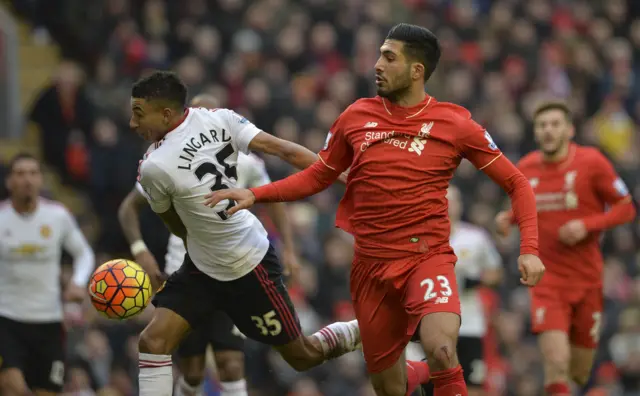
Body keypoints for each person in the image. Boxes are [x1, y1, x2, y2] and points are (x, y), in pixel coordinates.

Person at [204, 23, 545, 396]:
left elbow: (517, 182)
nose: (377, 65)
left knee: (444, 350)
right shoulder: (355, 116)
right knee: (391, 388)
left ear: (417, 70)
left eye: (389, 57)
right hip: (371, 268)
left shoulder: (455, 123)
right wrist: (257, 195)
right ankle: (419, 374)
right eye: (379, 54)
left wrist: (529, 249)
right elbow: (320, 174)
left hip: (426, 256)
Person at [129, 71, 364, 396]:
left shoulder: (154, 165)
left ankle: (367, 329)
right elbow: (283, 149)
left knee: (303, 356)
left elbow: (174, 224)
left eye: (138, 113)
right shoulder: (220, 119)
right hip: (201, 268)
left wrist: (349, 181)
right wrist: (349, 178)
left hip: (248, 263)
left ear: (166, 113)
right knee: (153, 341)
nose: (132, 123)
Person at [118, 93, 300, 396]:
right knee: (192, 372)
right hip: (187, 271)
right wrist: (140, 250)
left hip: (232, 270)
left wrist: (290, 249)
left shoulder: (246, 162)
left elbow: (274, 200)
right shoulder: (165, 161)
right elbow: (129, 208)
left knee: (230, 363)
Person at [495, 101, 637, 396]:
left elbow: (626, 208)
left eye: (555, 124)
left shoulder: (592, 162)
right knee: (555, 361)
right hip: (546, 280)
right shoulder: (526, 168)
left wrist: (587, 225)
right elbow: (525, 208)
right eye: (542, 125)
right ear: (535, 132)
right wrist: (508, 218)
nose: (548, 130)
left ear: (570, 129)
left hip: (587, 280)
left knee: (580, 370)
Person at [0, 153, 95, 396]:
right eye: (20, 174)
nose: (27, 180)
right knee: (13, 387)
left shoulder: (57, 216)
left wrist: (77, 282)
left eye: (33, 173)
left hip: (49, 322)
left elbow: (84, 254)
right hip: (7, 319)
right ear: (9, 181)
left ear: (41, 180)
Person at [407, 185, 503, 396]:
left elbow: (496, 272)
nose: (448, 206)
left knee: (474, 386)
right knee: (432, 384)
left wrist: (475, 280)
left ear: (460, 205)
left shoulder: (476, 237)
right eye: (443, 200)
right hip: (431, 325)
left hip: (469, 325)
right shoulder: (419, 239)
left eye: (453, 201)